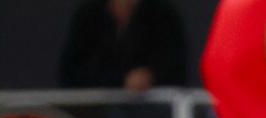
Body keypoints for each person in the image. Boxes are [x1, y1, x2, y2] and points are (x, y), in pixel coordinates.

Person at [59, 0, 188, 90]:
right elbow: (71, 72)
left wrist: (149, 77)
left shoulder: (164, 16)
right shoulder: (87, 15)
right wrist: (121, 81)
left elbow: (175, 68)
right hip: (94, 115)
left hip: (154, 115)